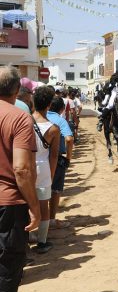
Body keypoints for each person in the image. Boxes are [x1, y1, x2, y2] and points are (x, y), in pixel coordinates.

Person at [0, 66, 40, 292]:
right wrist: (35, 207)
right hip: (9, 205)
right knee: (6, 269)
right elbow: (22, 169)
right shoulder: (19, 117)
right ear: (17, 90)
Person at [32, 86, 60, 253]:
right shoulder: (53, 129)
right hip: (43, 168)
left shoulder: (24, 120)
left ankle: (24, 237)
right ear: (49, 105)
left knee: (23, 204)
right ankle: (42, 242)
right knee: (44, 206)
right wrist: (51, 173)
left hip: (25, 165)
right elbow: (54, 155)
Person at [47, 95, 74, 229]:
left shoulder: (36, 116)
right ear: (62, 109)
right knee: (55, 190)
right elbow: (69, 139)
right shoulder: (61, 120)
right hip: (56, 159)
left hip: (38, 157)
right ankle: (51, 219)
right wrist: (68, 158)